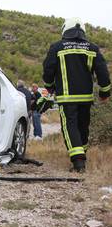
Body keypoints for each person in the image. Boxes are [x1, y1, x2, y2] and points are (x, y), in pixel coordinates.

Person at [43, 17, 111, 172]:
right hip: (86, 98)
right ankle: (82, 157)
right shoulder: (92, 48)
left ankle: (78, 163)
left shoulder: (57, 47)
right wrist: (105, 92)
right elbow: (103, 72)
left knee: (70, 127)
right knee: (83, 127)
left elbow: (48, 70)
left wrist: (49, 86)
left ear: (65, 29)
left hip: (67, 98)